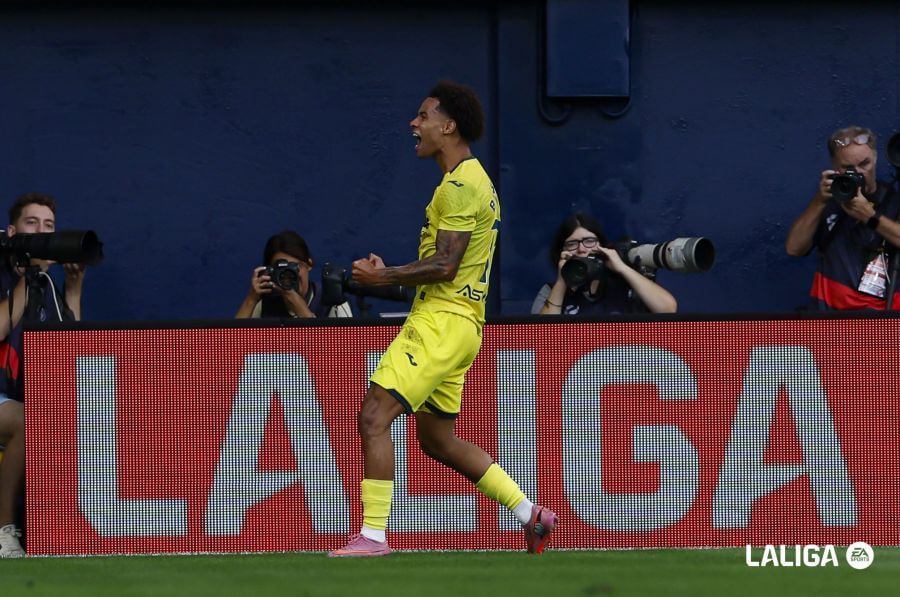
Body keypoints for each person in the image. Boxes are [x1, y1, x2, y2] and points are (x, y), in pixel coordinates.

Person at [328, 81, 557, 557]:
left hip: (442, 320)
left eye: (423, 115)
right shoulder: (475, 183)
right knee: (436, 439)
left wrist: (381, 276)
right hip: (464, 323)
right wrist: (385, 276)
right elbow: (447, 266)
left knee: (373, 415)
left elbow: (445, 265)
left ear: (447, 125)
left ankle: (372, 536)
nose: (415, 124)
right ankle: (528, 514)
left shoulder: (458, 185)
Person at [0, 192, 86, 558]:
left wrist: (73, 289)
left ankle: (62, 531)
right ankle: (4, 530)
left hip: (19, 396)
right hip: (7, 401)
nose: (41, 231)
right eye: (32, 223)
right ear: (12, 230)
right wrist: (28, 275)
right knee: (27, 421)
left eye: (48, 226)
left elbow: (70, 348)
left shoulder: (48, 285)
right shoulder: (7, 274)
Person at [786, 126, 900, 310]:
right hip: (829, 320)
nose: (858, 173)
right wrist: (819, 201)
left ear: (876, 160)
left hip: (879, 324)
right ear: (834, 167)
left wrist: (869, 216)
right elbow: (794, 248)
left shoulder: (893, 201)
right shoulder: (828, 201)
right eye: (848, 168)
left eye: (865, 164)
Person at [533, 212, 677, 315]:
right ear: (562, 250)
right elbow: (541, 335)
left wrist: (622, 268)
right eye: (572, 243)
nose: (581, 249)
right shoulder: (551, 290)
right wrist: (562, 280)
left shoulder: (624, 282)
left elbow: (668, 309)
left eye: (589, 241)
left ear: (601, 245)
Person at [235, 230, 352, 319]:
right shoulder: (266, 303)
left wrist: (300, 307)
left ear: (309, 264)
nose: (288, 275)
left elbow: (344, 348)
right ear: (269, 270)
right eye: (281, 269)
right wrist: (251, 299)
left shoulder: (332, 300)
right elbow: (232, 342)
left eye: (295, 267)